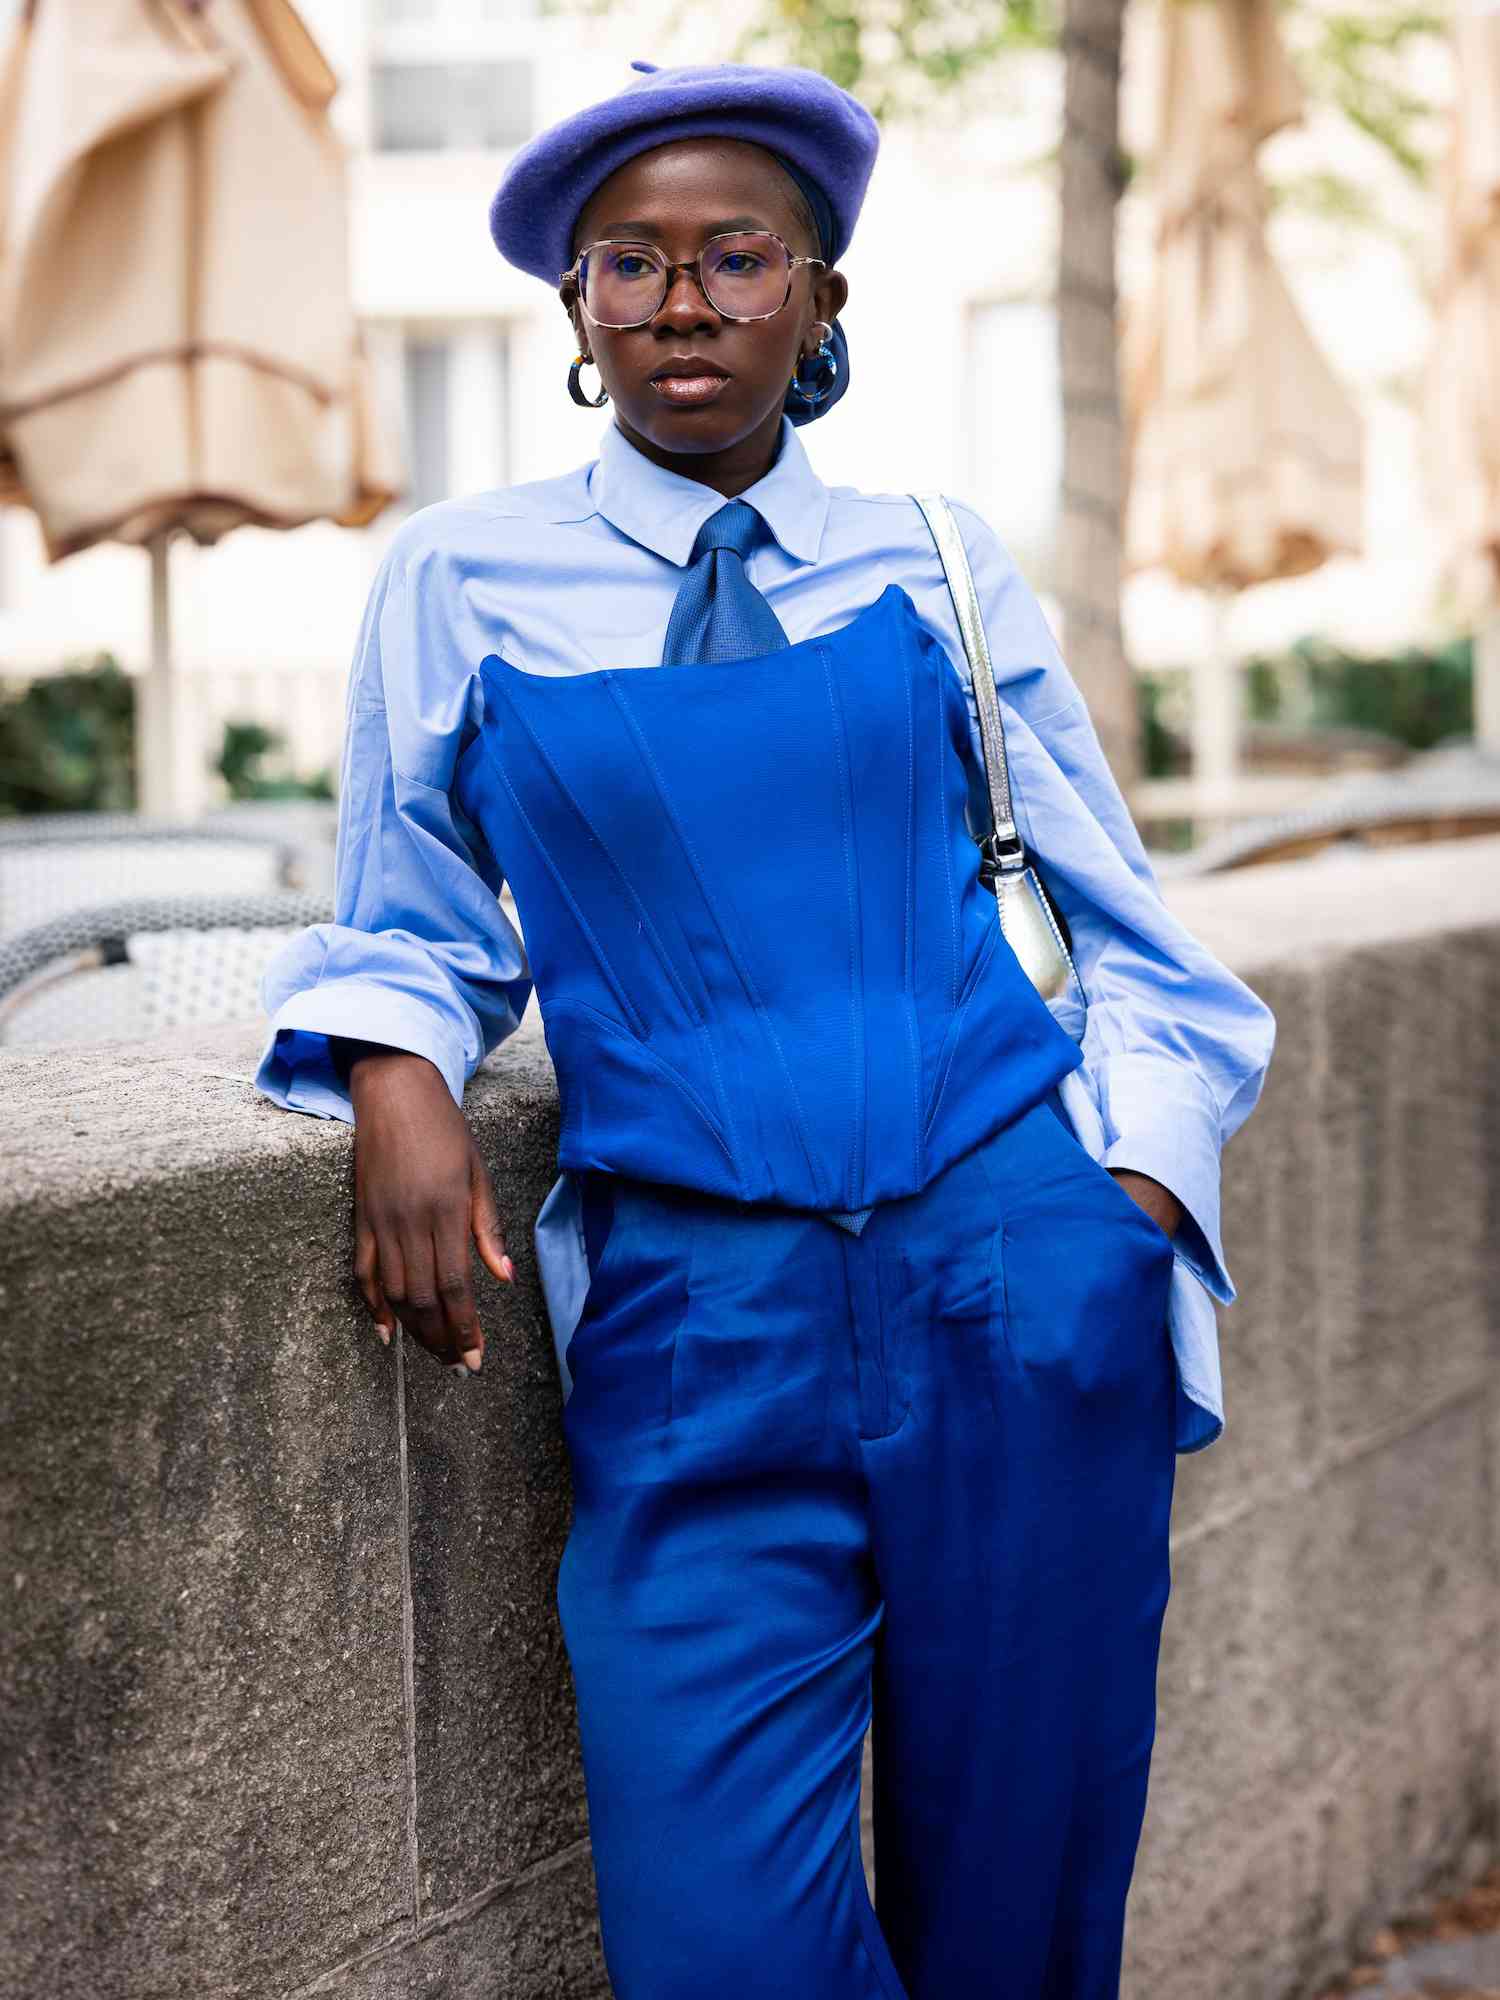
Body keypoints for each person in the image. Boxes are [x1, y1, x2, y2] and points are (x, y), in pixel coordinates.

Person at [253, 56, 1276, 2000]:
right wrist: (394, 1066)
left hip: (1021, 1286)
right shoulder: (462, 579)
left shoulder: (941, 562)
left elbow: (1139, 939)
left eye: (734, 256)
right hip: (695, 1322)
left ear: (819, 297)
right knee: (722, 1937)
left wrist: (1124, 1199)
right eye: (629, 265)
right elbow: (406, 908)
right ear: (574, 312)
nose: (683, 301)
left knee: (1025, 1917)